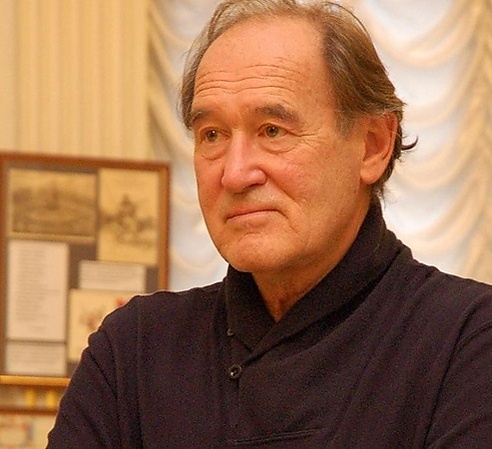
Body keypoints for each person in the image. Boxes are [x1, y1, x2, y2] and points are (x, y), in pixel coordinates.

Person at [47, 0, 492, 447]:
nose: (235, 174)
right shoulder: (134, 350)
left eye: (272, 130)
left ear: (372, 145)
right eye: (212, 135)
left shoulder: (466, 341)